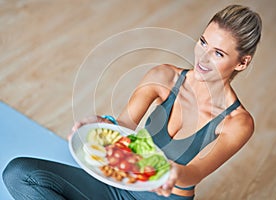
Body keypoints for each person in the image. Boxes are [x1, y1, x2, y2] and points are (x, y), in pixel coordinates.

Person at [2, 4, 262, 200]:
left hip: (162, 197)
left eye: (217, 53)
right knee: (18, 173)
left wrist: (173, 172)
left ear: (242, 62)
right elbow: (124, 125)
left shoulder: (237, 122)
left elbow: (196, 172)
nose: (202, 58)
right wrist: (104, 125)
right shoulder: (165, 76)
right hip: (119, 183)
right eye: (203, 42)